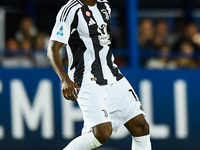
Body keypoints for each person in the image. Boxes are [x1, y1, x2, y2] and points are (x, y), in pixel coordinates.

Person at [47, 0, 151, 150]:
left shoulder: (105, 6)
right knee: (102, 133)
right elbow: (52, 49)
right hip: (87, 77)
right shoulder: (70, 10)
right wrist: (64, 79)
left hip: (112, 74)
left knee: (141, 126)